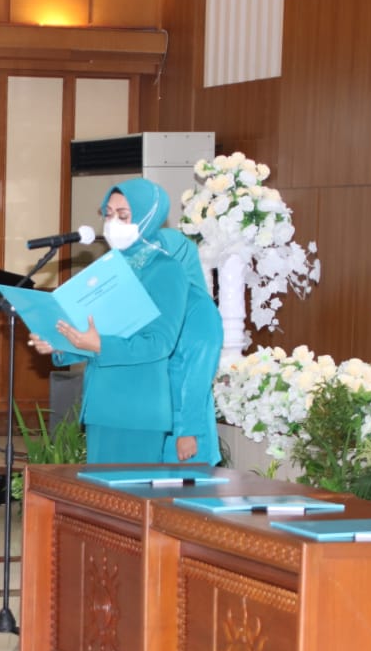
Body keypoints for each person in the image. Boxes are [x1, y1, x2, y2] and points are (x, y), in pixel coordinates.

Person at [27, 178, 189, 463]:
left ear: (148, 217)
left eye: (123, 216)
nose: (113, 223)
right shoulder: (109, 267)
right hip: (102, 404)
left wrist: (100, 345)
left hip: (139, 408)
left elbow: (160, 343)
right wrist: (60, 343)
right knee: (99, 490)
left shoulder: (165, 270)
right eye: (109, 214)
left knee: (131, 491)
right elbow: (98, 332)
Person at [158, 229, 224, 464]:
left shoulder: (198, 308)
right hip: (155, 422)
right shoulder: (159, 304)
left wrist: (188, 432)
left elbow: (198, 374)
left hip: (183, 431)